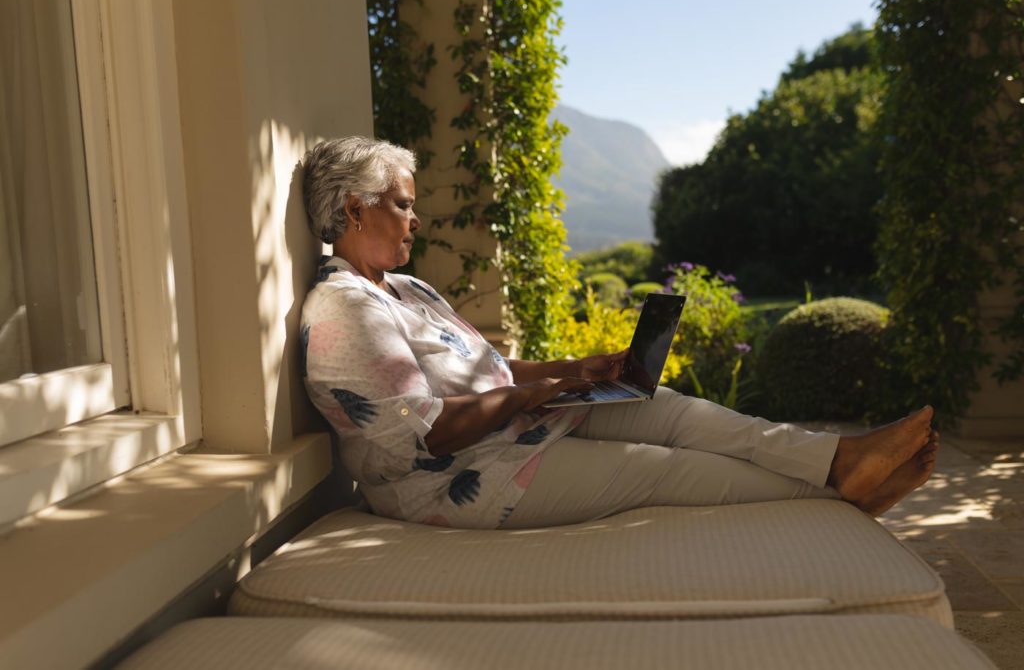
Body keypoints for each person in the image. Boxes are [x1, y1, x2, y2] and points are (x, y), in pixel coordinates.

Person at [299, 136, 938, 530]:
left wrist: (578, 369)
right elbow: (429, 432)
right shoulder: (344, 311)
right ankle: (838, 502)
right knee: (664, 471)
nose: (414, 221)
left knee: (672, 410)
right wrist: (538, 395)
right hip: (465, 476)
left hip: (517, 426)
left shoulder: (405, 289)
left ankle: (838, 461)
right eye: (403, 205)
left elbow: (490, 367)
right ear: (355, 209)